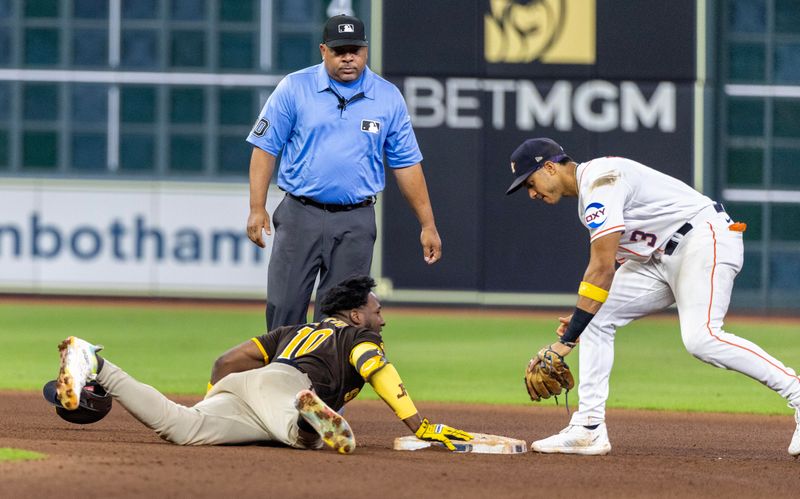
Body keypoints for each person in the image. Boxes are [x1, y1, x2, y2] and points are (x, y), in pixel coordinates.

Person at [505, 137, 800, 456]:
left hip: (703, 238)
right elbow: (615, 264)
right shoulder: (591, 195)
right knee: (597, 320)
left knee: (701, 338)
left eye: (530, 182)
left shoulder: (601, 181)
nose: (531, 193)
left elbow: (600, 268)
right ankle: (588, 428)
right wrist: (583, 318)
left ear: (549, 167)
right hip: (659, 257)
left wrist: (567, 339)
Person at [51, 275, 472, 453]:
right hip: (290, 388)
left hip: (246, 385)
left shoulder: (293, 330)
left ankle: (96, 364)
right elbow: (374, 367)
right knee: (301, 438)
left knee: (182, 427)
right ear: (357, 315)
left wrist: (216, 399)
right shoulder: (358, 335)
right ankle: (309, 418)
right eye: (377, 311)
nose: (382, 319)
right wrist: (419, 424)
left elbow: (228, 360)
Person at [245, 14, 441, 330]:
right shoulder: (295, 88)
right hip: (300, 213)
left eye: (355, 50)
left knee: (342, 318)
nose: (348, 57)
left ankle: (325, 381)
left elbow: (406, 164)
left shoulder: (387, 96)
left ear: (365, 50)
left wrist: (427, 224)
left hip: (356, 220)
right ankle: (281, 378)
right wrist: (257, 208)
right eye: (339, 51)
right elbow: (265, 148)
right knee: (284, 307)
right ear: (324, 51)